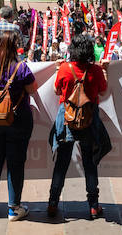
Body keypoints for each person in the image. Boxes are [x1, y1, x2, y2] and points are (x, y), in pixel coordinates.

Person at [47, 33, 109, 221]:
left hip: (67, 120)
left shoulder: (65, 68)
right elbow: (103, 90)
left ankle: (52, 203)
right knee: (89, 163)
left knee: (62, 163)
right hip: (89, 121)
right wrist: (104, 70)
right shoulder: (96, 71)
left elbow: (57, 90)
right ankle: (93, 205)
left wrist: (58, 70)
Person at [0, 30, 37, 221]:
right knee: (15, 163)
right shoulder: (21, 67)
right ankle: (14, 208)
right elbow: (32, 89)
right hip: (17, 120)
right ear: (14, 47)